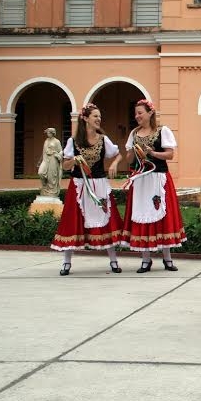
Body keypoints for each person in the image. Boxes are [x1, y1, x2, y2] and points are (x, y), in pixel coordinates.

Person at [50, 103, 124, 275]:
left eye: (99, 116)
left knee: (107, 219)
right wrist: (75, 160)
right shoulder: (73, 141)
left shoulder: (104, 140)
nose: (99, 119)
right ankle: (67, 262)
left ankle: (113, 260)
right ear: (85, 119)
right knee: (72, 221)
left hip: (99, 184)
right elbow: (66, 165)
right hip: (79, 186)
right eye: (95, 116)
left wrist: (114, 163)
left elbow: (118, 153)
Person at [121, 99, 187, 272]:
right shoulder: (134, 133)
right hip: (141, 180)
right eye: (135, 113)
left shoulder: (162, 131)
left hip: (158, 178)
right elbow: (129, 159)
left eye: (140, 113)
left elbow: (170, 154)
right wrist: (132, 152)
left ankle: (167, 258)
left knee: (162, 215)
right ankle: (146, 259)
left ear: (150, 113)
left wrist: (152, 153)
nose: (137, 116)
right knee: (142, 214)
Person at [38, 127, 63, 198]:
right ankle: (45, 186)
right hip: (46, 160)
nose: (47, 134)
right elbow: (44, 151)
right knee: (41, 173)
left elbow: (61, 151)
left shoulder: (57, 141)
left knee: (52, 176)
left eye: (49, 133)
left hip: (53, 160)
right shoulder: (46, 140)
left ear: (53, 133)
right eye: (47, 133)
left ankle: (52, 191)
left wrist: (58, 155)